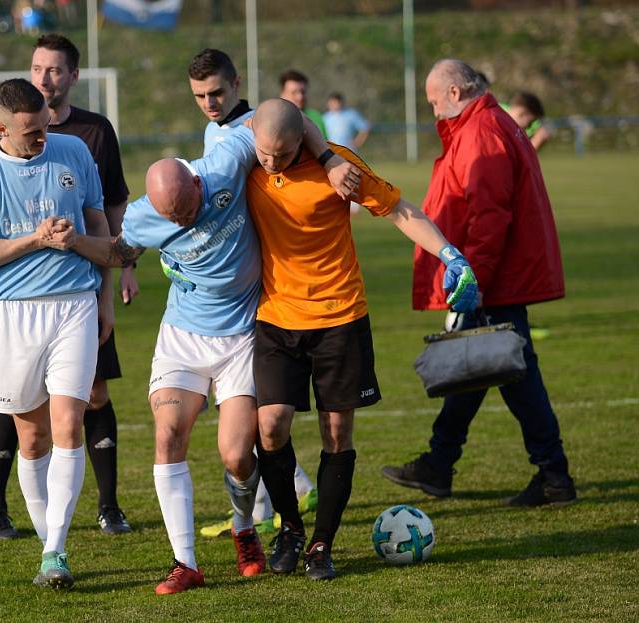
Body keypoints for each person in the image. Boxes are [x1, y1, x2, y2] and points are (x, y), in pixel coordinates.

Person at [73, 111, 360, 593]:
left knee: (237, 457)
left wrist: (329, 158)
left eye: (188, 210)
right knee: (168, 437)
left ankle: (243, 526)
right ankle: (184, 562)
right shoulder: (147, 215)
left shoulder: (226, 161)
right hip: (182, 337)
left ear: (197, 183)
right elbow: (120, 251)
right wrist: (75, 242)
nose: (184, 222)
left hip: (244, 336)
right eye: (175, 219)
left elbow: (281, 115)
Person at [245, 98, 478, 581]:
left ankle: (321, 543)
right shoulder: (248, 156)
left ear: (300, 143)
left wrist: (450, 254)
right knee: (270, 426)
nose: (270, 164)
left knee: (337, 434)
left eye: (280, 156)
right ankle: (289, 526)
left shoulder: (340, 167)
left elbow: (400, 210)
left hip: (340, 316)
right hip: (276, 316)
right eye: (263, 155)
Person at [381, 59, 575, 508]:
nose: (433, 113)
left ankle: (552, 474)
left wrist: (475, 279)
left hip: (493, 276)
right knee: (476, 366)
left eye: (433, 101)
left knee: (511, 372)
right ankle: (440, 463)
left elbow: (490, 217)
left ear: (453, 93)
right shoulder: (485, 123)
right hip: (497, 274)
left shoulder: (481, 130)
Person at [0, 34, 135, 541]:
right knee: (20, 412)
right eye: (37, 68)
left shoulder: (91, 134)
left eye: (54, 70)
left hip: (79, 294)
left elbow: (110, 211)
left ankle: (100, 511)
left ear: (72, 76)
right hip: (17, 302)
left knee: (87, 398)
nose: (44, 78)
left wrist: (112, 281)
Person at [0, 78, 109, 589]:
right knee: (33, 435)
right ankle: (50, 543)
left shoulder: (73, 152)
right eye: (30, 133)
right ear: (1, 128)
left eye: (45, 127)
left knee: (69, 424)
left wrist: (104, 296)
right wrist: (35, 240)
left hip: (74, 306)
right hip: (15, 312)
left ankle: (55, 551)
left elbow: (101, 229)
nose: (43, 138)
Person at [187, 48, 318, 539]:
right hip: (231, 282)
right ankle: (283, 494)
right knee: (246, 409)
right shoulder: (213, 131)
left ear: (237, 83)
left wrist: (324, 155)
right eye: (200, 95)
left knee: (249, 408)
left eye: (217, 92)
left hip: (266, 282)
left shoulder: (256, 126)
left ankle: (273, 504)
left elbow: (300, 122)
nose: (210, 102)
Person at [279, 69, 327, 137]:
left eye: (303, 92)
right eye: (294, 92)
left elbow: (326, 145)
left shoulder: (316, 116)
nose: (300, 97)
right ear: (282, 94)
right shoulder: (275, 120)